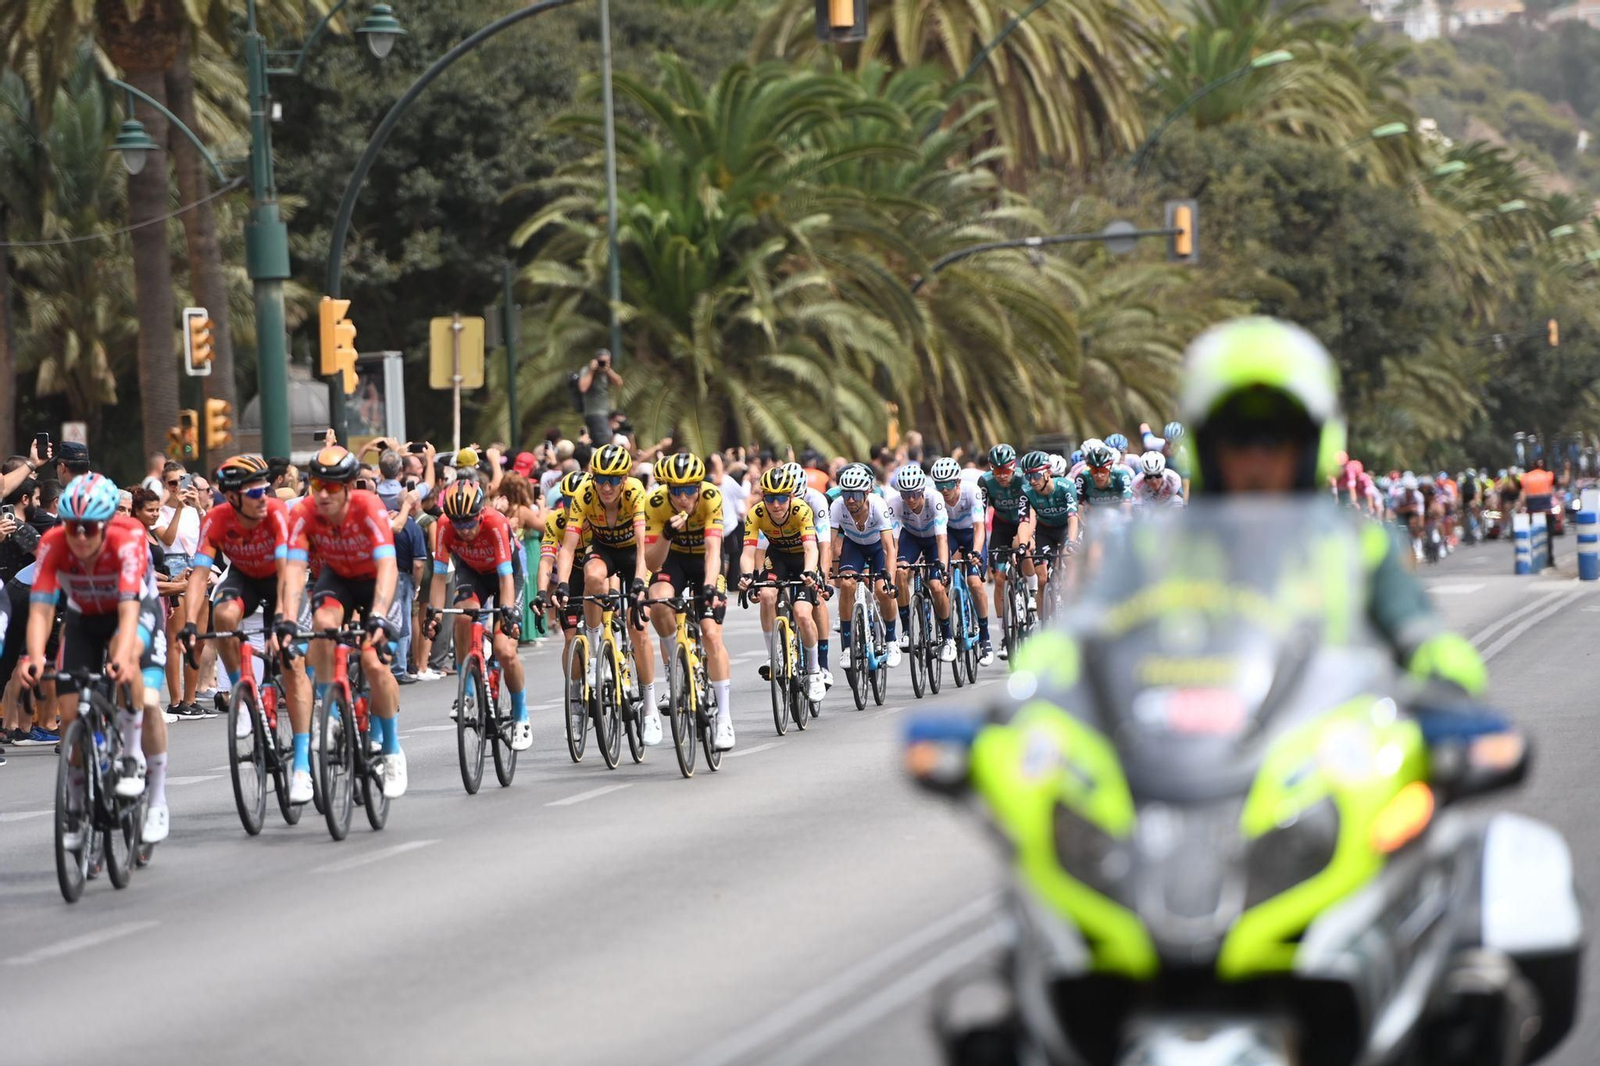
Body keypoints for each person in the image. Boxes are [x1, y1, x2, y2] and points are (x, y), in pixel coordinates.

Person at [1172, 316, 1485, 693]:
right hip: (1193, 738)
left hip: (1335, 742)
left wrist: (1450, 685)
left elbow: (1420, 633)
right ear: (1204, 448)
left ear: (1310, 446)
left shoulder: (1361, 547)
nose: (1256, 461)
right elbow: (1087, 643)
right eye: (1237, 438)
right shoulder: (1156, 551)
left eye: (1275, 440)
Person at [18, 474, 173, 844]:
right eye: (72, 526)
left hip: (133, 610)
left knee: (140, 685)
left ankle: (148, 785)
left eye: (89, 528)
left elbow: (130, 613)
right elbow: (40, 611)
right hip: (84, 616)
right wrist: (35, 657)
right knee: (70, 714)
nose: (80, 536)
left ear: (107, 524)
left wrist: (121, 658)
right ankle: (75, 806)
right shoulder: (54, 544)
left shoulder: (129, 539)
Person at [278, 446, 409, 798]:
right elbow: (293, 571)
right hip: (338, 578)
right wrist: (289, 619)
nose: (322, 494)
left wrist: (379, 613)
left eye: (332, 487)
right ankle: (330, 706)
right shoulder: (304, 512)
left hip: (376, 584)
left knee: (373, 661)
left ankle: (392, 750)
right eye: (316, 484)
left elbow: (387, 566)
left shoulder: (369, 507)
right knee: (321, 621)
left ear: (350, 487)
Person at [552, 443, 658, 742]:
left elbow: (641, 546)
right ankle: (597, 651)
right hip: (604, 549)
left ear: (624, 479)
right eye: (601, 479)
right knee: (593, 576)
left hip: (633, 553)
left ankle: (649, 710)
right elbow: (569, 546)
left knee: (639, 628)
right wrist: (561, 583)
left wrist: (639, 582)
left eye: (613, 480)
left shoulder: (635, 492)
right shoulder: (584, 494)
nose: (606, 486)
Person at [425, 481, 532, 750]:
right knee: (463, 617)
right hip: (472, 574)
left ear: (480, 513)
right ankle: (468, 691)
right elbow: (439, 576)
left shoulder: (495, 523)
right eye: (458, 524)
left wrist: (508, 616)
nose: (465, 530)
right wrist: (434, 616)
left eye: (470, 522)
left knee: (505, 650)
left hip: (506, 575)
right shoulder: (445, 527)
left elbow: (506, 579)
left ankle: (521, 716)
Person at [644, 453, 737, 748]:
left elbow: (713, 551)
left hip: (703, 564)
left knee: (710, 633)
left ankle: (724, 719)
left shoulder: (711, 497)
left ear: (699, 487)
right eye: (676, 490)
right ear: (667, 489)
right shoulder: (656, 503)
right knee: (657, 602)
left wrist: (710, 587)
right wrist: (667, 535)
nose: (683, 498)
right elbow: (651, 562)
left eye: (689, 490)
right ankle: (675, 668)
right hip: (672, 562)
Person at [740, 463, 825, 706]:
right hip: (777, 557)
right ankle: (773, 655)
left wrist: (810, 571)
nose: (775, 504)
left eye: (781, 498)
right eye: (770, 498)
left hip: (802, 559)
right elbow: (748, 552)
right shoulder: (756, 513)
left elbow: (811, 547)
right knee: (766, 595)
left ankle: (814, 670)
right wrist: (747, 575)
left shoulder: (801, 510)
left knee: (802, 614)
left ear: (790, 496)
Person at [888, 464, 958, 664]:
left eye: (915, 494)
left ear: (923, 491)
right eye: (905, 495)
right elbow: (893, 543)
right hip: (912, 538)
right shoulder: (894, 503)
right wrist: (892, 570)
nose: (910, 500)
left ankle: (948, 637)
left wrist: (943, 569)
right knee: (900, 573)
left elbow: (942, 539)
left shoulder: (935, 499)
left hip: (934, 540)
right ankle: (908, 629)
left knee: (936, 586)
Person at [931, 455, 993, 665]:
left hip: (970, 534)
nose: (944, 490)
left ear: (957, 482)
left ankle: (985, 638)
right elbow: (937, 535)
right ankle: (947, 633)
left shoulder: (972, 492)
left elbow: (979, 529)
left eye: (948, 484)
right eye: (940, 485)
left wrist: (975, 552)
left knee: (974, 582)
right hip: (949, 535)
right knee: (939, 582)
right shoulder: (936, 496)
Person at [578, 349, 623, 448]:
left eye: (607, 361)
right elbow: (583, 388)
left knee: (604, 440)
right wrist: (591, 370)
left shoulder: (606, 373)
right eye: (602, 361)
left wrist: (608, 370)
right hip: (594, 413)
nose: (603, 364)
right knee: (603, 443)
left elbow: (619, 383)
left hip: (605, 414)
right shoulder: (587, 370)